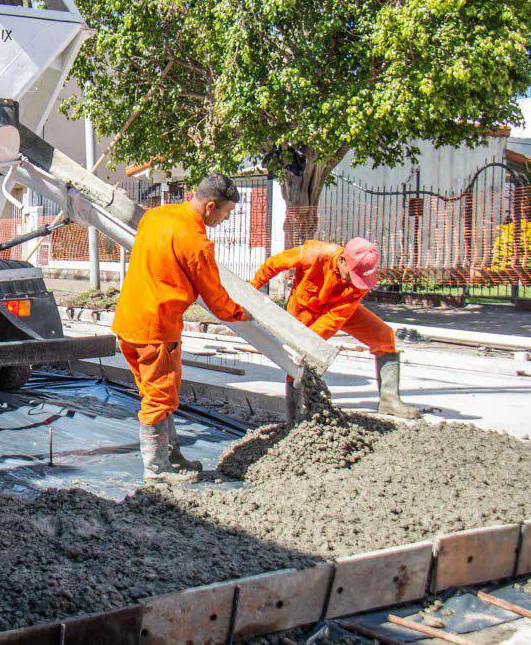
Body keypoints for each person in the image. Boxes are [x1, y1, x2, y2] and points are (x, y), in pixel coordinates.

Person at [113, 173, 249, 484]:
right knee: (159, 398)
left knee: (153, 394)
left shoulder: (156, 216)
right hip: (156, 330)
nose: (226, 219)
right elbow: (214, 296)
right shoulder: (196, 241)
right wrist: (240, 314)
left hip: (128, 321)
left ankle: (171, 456)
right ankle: (156, 469)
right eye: (226, 212)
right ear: (211, 206)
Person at [250, 237, 420, 423]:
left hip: (338, 310)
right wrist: (250, 290)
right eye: (352, 274)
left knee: (383, 335)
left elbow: (334, 319)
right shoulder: (315, 253)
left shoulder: (361, 280)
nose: (355, 280)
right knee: (298, 358)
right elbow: (273, 264)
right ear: (342, 260)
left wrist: (311, 343)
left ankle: (389, 401)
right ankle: (295, 414)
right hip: (304, 310)